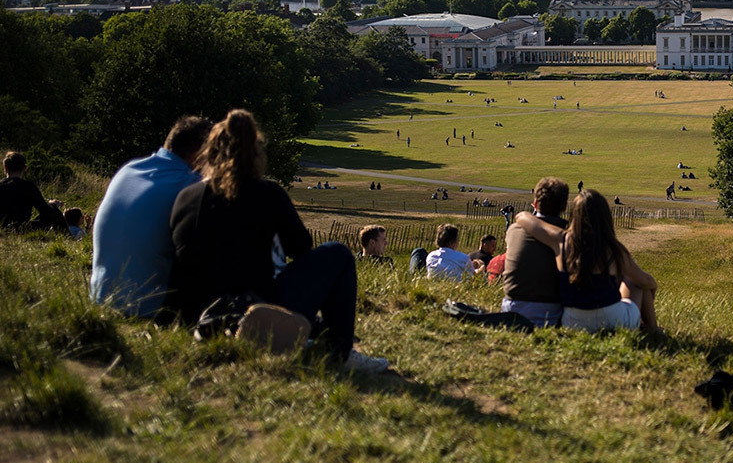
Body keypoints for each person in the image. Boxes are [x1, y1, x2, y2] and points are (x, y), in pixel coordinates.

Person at [169, 110, 388, 373]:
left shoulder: (186, 197)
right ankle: (340, 351)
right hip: (256, 299)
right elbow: (301, 249)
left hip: (197, 306)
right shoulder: (267, 193)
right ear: (256, 153)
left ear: (210, 153)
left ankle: (231, 327)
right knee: (338, 253)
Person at [90, 117, 212, 318]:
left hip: (101, 299)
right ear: (198, 154)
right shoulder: (191, 183)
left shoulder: (129, 169)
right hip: (148, 308)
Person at [514, 188, 659, 333]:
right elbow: (644, 281)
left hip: (573, 322)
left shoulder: (561, 240)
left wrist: (523, 214)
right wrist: (653, 287)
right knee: (634, 282)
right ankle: (652, 328)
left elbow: (527, 221)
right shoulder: (613, 248)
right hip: (613, 319)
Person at [502, 177, 571, 327]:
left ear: (535, 204)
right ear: (565, 206)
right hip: (551, 312)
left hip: (510, 307)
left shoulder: (514, 230)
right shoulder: (569, 234)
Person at [0, 151, 68, 232]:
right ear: (25, 168)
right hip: (22, 228)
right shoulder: (28, 186)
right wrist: (52, 204)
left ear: (5, 167)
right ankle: (67, 235)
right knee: (53, 210)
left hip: (2, 227)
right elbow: (45, 210)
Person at [410, 223, 482, 280]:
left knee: (418, 252)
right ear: (454, 241)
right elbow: (473, 276)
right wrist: (481, 267)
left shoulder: (431, 255)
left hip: (432, 284)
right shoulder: (463, 258)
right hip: (455, 286)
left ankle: (413, 277)